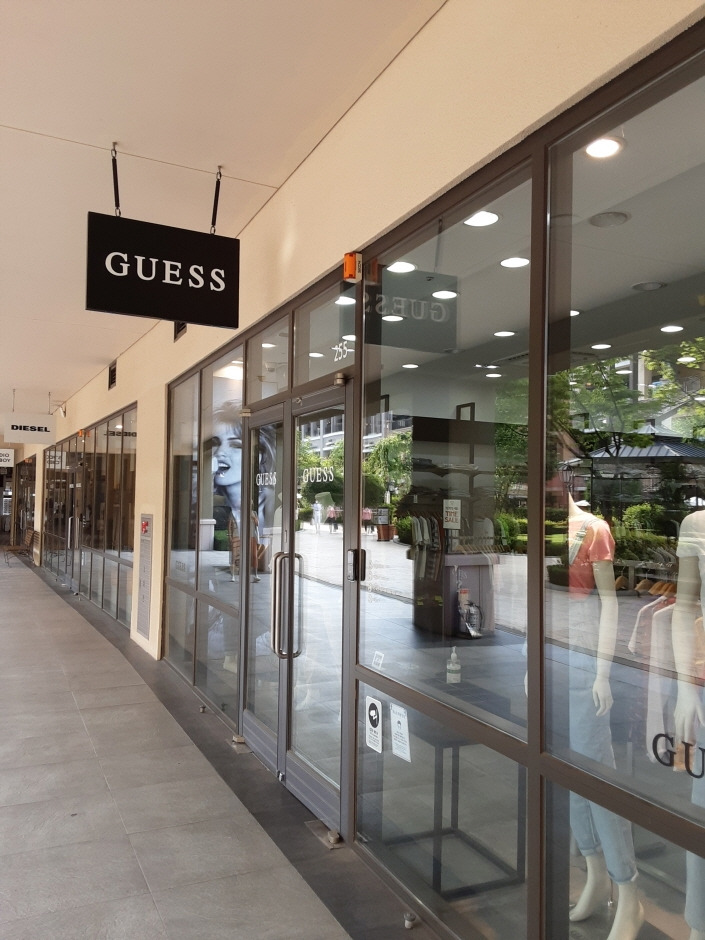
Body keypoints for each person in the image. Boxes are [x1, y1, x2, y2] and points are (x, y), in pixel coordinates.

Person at [563, 494, 643, 939]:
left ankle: (628, 892)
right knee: (569, 777)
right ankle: (595, 874)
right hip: (549, 656)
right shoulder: (545, 527)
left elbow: (610, 604)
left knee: (597, 777)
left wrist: (602, 673)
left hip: (582, 658)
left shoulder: (593, 529)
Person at [672, 510, 705, 940]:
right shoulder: (697, 525)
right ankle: (699, 923)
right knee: (702, 814)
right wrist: (684, 689)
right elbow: (683, 609)